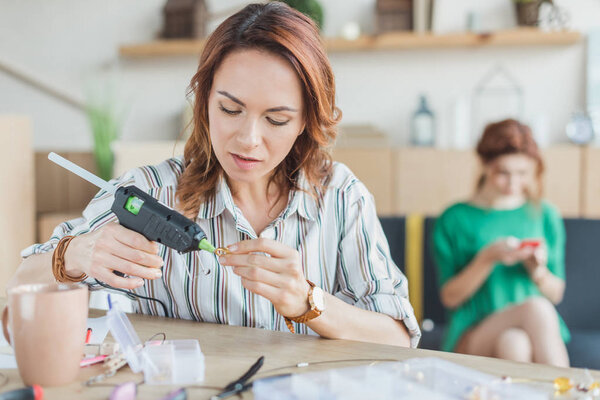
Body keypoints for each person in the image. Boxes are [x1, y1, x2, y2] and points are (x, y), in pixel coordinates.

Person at [11, 2, 419, 348]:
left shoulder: (341, 197)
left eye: (276, 119)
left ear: (306, 122)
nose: (248, 140)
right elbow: (14, 308)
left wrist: (306, 301)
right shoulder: (150, 192)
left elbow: (400, 339)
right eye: (230, 109)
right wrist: (75, 255)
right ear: (204, 100)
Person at [433, 119, 569, 366]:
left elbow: (556, 293)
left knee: (514, 343)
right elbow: (450, 297)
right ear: (485, 165)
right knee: (536, 308)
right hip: (474, 332)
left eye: (523, 174)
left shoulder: (545, 214)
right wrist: (487, 258)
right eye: (504, 173)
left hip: (532, 333)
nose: (514, 184)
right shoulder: (453, 219)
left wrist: (537, 271)